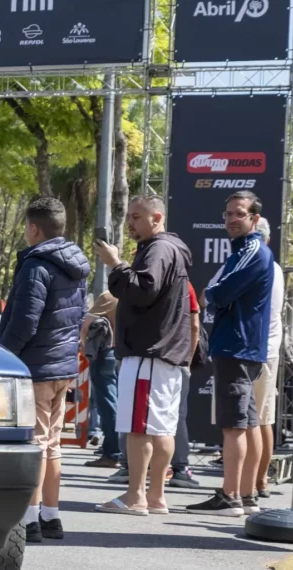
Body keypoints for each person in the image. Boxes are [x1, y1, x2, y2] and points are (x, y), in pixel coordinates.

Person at [0, 197, 90, 541]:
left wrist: (3, 355)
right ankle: (52, 515)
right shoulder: (77, 265)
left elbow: (25, 321)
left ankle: (31, 520)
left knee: (35, 444)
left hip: (35, 365)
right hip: (63, 365)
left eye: (25, 226)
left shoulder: (36, 266)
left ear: (34, 228)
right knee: (52, 444)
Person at [92, 194, 192, 516]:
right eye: (130, 216)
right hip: (165, 353)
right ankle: (156, 496)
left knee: (139, 428)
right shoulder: (168, 249)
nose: (130, 223)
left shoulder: (159, 248)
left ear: (157, 218)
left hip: (149, 352)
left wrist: (116, 264)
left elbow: (142, 289)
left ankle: (136, 496)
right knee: (162, 427)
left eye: (137, 217)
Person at [187, 191, 274, 517]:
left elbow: (220, 292)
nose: (231, 219)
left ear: (254, 219)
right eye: (227, 214)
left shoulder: (253, 249)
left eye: (239, 213)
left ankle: (230, 497)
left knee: (234, 426)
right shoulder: (245, 249)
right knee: (247, 423)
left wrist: (213, 292)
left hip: (237, 344)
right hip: (240, 344)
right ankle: (247, 495)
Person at [254, 217, 284, 498]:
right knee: (263, 419)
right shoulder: (273, 266)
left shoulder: (260, 265)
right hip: (267, 350)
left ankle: (252, 482)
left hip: (257, 350)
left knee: (254, 420)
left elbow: (210, 296)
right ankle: (259, 481)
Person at [82, 292, 123, 469]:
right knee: (117, 402)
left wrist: (84, 346)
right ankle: (117, 449)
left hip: (105, 352)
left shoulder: (110, 295)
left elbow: (86, 324)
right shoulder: (136, 293)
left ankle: (113, 452)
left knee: (107, 404)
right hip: (124, 354)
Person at [169, 282, 203, 488]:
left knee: (138, 416)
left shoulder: (138, 279)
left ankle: (131, 466)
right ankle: (180, 468)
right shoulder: (185, 285)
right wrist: (188, 360)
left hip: (146, 357)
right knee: (176, 416)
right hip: (178, 357)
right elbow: (195, 324)